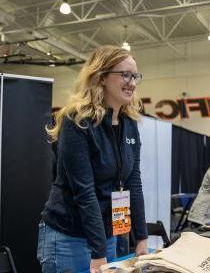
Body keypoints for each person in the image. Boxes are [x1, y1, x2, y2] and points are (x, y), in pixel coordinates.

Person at [37, 46, 148, 273]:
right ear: (101, 76)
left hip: (106, 235)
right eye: (125, 75)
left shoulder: (130, 123)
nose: (133, 83)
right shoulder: (77, 121)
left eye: (135, 76)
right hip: (69, 236)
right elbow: (84, 191)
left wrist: (142, 238)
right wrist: (98, 252)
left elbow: (133, 184)